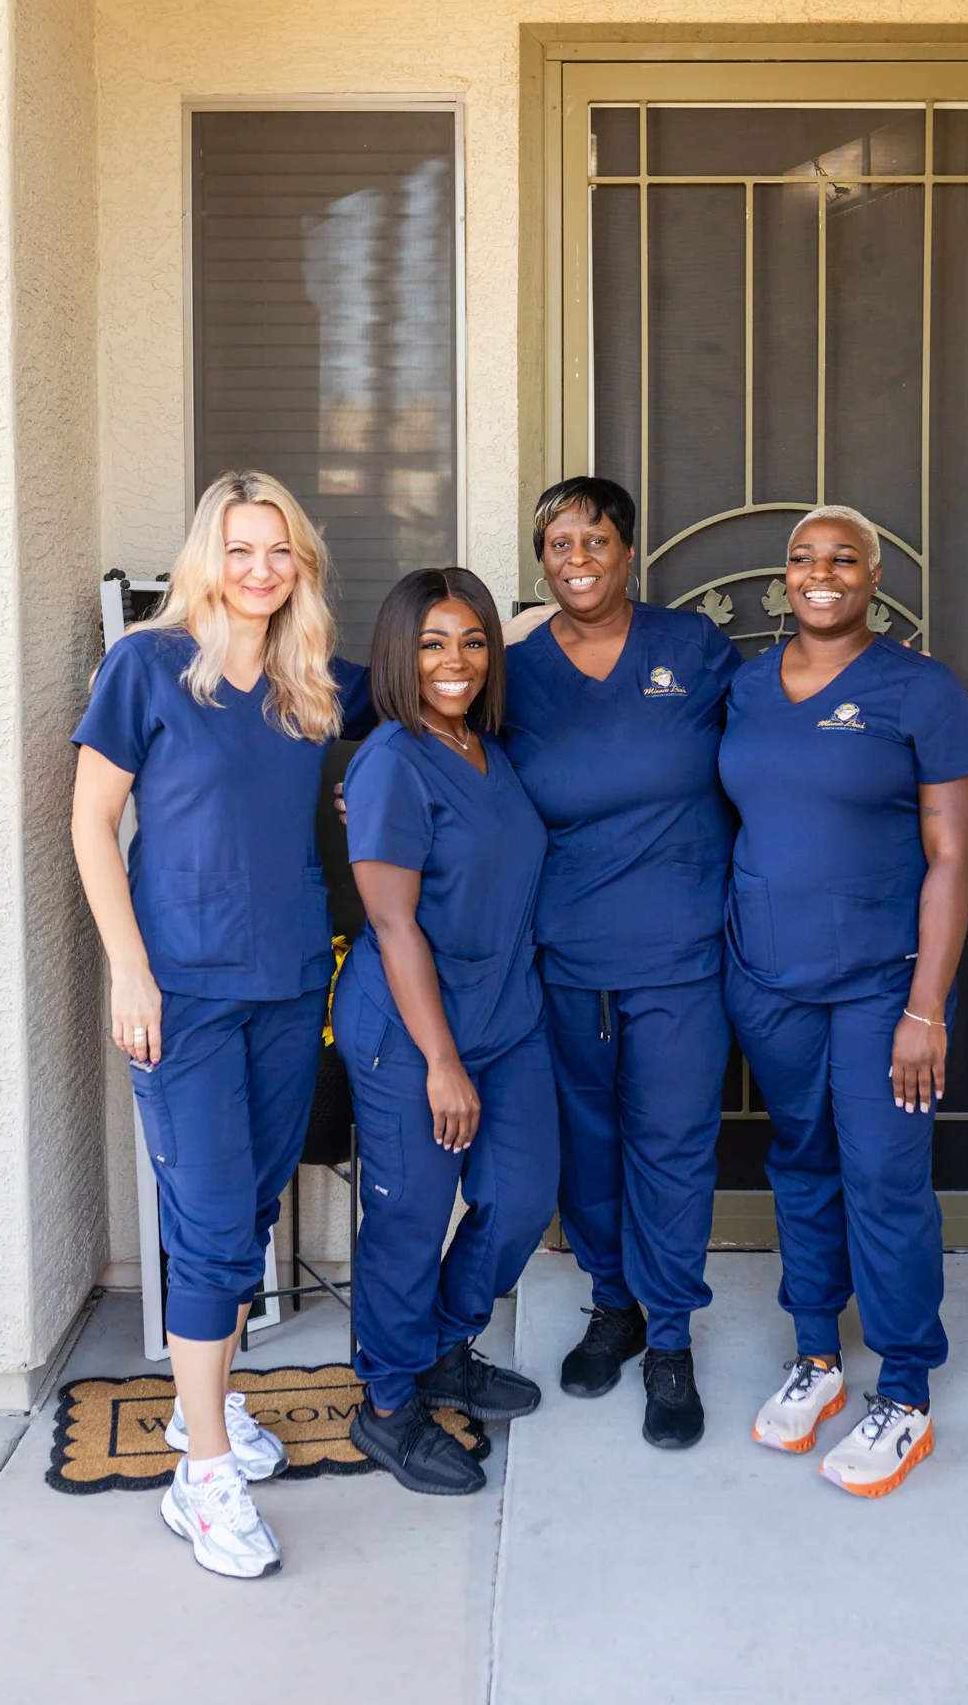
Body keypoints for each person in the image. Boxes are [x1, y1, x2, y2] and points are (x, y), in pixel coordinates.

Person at [71, 469, 374, 1578]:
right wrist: (129, 973)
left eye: (279, 550)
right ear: (208, 555)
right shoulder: (146, 667)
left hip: (291, 982)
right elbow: (94, 825)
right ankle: (202, 1477)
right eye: (240, 549)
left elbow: (429, 679)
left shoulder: (311, 679)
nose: (260, 569)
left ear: (301, 562)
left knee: (244, 1211)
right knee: (206, 1226)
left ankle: (208, 1406)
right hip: (183, 992)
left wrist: (533, 624)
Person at [719, 505, 968, 1497]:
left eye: (843, 559)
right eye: (803, 559)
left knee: (884, 1177)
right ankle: (817, 1357)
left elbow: (953, 858)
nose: (819, 573)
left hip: (882, 985)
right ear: (783, 579)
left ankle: (907, 1390)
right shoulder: (746, 688)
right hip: (767, 979)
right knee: (802, 1159)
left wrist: (927, 1007)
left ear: (875, 578)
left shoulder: (920, 690)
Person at [503, 477, 741, 1450]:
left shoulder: (692, 651)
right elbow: (437, 741)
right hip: (566, 954)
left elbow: (783, 731)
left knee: (673, 1145)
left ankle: (673, 1338)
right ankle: (615, 1306)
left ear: (628, 548)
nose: (577, 558)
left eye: (594, 538)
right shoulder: (515, 673)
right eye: (558, 544)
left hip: (680, 954)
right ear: (544, 561)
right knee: (587, 1150)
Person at [334, 568, 559, 1496]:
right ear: (397, 654)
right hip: (410, 1036)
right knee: (409, 1221)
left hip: (504, 1019)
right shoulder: (390, 759)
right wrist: (439, 1062)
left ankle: (438, 1345)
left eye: (472, 640)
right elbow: (392, 926)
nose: (454, 660)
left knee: (520, 1195)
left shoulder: (483, 745)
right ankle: (386, 1402)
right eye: (430, 643)